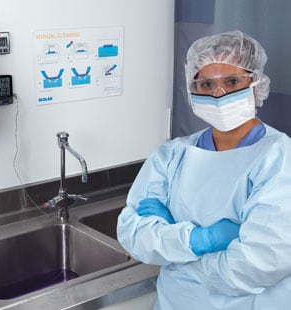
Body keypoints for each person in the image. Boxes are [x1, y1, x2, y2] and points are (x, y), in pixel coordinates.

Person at [117, 30, 291, 309]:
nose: (219, 94)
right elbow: (133, 234)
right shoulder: (171, 156)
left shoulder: (280, 159)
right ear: (192, 91)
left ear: (256, 86)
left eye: (232, 82)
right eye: (206, 84)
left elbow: (258, 264)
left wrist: (176, 248)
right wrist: (199, 240)